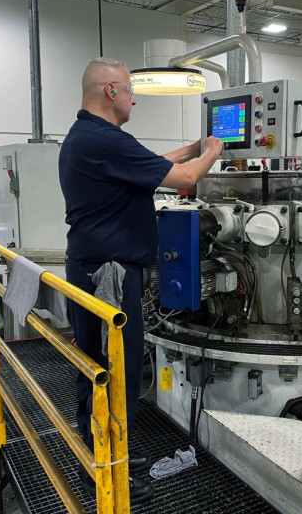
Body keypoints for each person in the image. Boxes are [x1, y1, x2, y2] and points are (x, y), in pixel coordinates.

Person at [58, 57, 223, 503]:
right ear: (111, 92)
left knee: (93, 365)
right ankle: (109, 470)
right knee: (118, 371)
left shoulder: (85, 138)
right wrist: (212, 154)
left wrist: (191, 149)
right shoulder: (106, 139)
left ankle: (100, 453)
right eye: (131, 90)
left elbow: (153, 166)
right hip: (111, 275)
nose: (134, 98)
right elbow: (185, 181)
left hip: (91, 267)